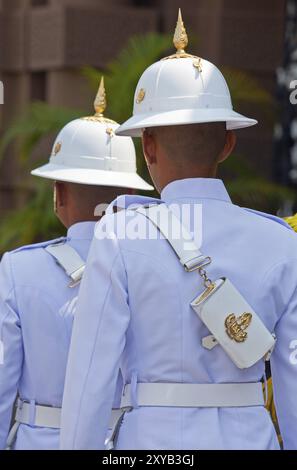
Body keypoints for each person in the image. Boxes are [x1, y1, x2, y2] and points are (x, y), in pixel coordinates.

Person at [60, 11, 297, 450]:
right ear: (228, 143)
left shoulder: (119, 235)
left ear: (146, 147)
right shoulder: (282, 242)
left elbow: (90, 378)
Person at [0, 77, 152, 450]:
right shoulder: (153, 264)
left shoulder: (20, 270)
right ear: (129, 194)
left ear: (59, 194)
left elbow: (3, 382)